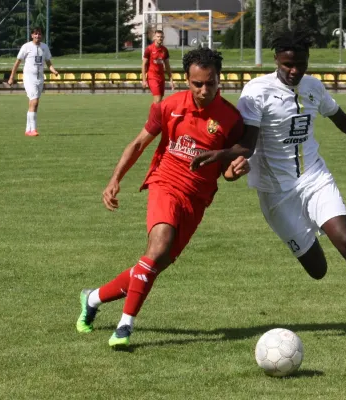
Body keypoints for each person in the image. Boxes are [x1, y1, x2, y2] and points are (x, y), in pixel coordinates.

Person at [233, 28, 346, 343]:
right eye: (288, 64)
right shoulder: (255, 93)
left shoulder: (313, 87)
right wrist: (230, 162)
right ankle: (307, 237)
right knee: (318, 269)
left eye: (300, 64)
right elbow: (246, 144)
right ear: (276, 59)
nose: (294, 71)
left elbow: (341, 119)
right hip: (276, 192)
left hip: (314, 177)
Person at [76, 48, 255, 348]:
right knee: (157, 249)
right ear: (187, 80)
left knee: (152, 265)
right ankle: (124, 326)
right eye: (197, 84)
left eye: (210, 83)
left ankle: (92, 298)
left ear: (218, 80)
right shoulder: (168, 107)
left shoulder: (231, 119)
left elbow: (225, 171)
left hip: (197, 199)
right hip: (165, 183)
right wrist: (115, 179)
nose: (204, 90)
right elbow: (138, 144)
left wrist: (235, 172)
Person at [8, 27, 58, 137]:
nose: (37, 36)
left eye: (39, 34)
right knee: (34, 101)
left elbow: (48, 62)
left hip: (40, 78)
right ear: (32, 35)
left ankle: (28, 129)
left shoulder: (44, 47)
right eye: (35, 34)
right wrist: (12, 77)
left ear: (42, 36)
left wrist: (53, 70)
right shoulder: (26, 47)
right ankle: (34, 129)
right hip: (29, 78)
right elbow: (17, 63)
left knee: (33, 103)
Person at [142, 30, 175, 103]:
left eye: (161, 37)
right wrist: (144, 80)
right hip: (152, 77)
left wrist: (171, 80)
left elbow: (167, 66)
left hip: (161, 77)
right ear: (154, 37)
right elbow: (144, 65)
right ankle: (153, 114)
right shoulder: (149, 49)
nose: (160, 38)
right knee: (157, 99)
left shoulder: (165, 50)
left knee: (159, 100)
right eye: (158, 36)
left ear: (163, 38)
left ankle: (156, 114)